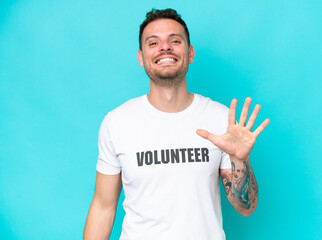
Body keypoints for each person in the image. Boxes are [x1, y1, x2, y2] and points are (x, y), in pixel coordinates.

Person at [83, 8, 270, 240]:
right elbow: (103, 207)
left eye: (175, 40)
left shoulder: (221, 119)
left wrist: (240, 160)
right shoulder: (117, 122)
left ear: (190, 53)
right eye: (153, 43)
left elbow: (246, 208)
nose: (165, 47)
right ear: (141, 57)